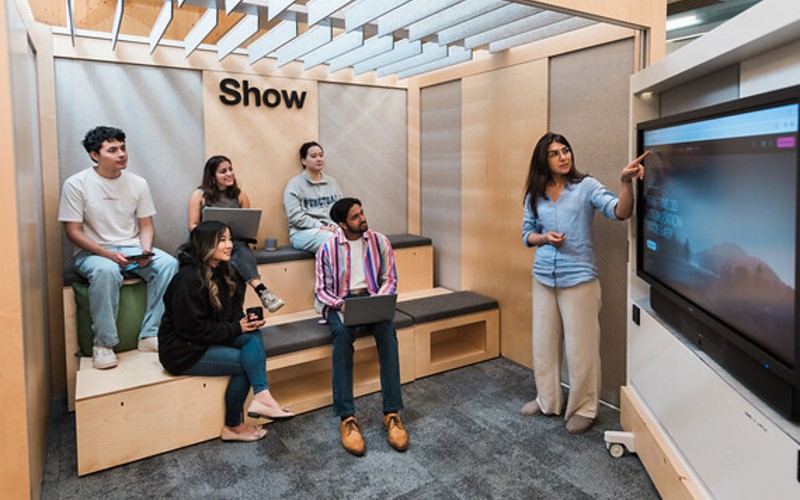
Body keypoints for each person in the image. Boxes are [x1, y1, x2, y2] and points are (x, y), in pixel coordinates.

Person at [520, 132, 648, 435]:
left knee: (581, 349)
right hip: (543, 277)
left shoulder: (586, 187)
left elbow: (620, 212)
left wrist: (624, 183)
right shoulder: (534, 195)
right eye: (555, 153)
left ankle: (583, 408)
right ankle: (547, 399)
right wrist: (544, 238)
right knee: (543, 344)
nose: (564, 157)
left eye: (566, 151)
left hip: (578, 278)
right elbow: (527, 234)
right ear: (543, 160)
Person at [158, 221, 295, 442]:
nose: (230, 245)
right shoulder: (187, 280)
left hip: (206, 339)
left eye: (230, 239)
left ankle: (262, 396)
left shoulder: (224, 271)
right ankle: (234, 426)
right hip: (183, 350)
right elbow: (191, 330)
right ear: (205, 244)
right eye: (222, 240)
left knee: (251, 336)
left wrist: (243, 321)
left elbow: (229, 314)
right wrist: (235, 327)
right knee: (245, 363)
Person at [58, 126, 178, 370]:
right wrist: (108, 254)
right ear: (94, 155)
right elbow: (73, 232)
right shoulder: (76, 184)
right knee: (106, 271)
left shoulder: (138, 183)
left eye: (123, 148)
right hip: (93, 251)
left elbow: (146, 225)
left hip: (132, 247)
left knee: (169, 264)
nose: (121, 154)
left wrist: (145, 251)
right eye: (112, 150)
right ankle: (103, 345)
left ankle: (149, 335)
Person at [315, 197, 408, 456]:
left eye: (362, 213)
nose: (363, 219)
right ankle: (347, 418)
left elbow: (390, 279)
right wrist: (341, 305)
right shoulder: (327, 248)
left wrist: (380, 299)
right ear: (342, 224)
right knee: (343, 337)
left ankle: (392, 413)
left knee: (388, 333)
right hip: (341, 302)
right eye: (355, 217)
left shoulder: (379, 241)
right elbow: (321, 291)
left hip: (372, 297)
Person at [188, 155, 284, 313]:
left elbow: (246, 223)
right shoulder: (199, 195)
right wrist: (213, 236)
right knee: (234, 251)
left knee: (240, 249)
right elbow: (192, 226)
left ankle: (255, 297)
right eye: (223, 171)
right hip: (208, 243)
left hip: (234, 243)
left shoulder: (240, 195)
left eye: (230, 169)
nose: (229, 174)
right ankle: (260, 288)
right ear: (212, 176)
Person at [283, 141, 343, 253]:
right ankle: (336, 271)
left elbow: (341, 210)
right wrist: (320, 226)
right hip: (302, 232)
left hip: (331, 229)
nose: (319, 159)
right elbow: (295, 217)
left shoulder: (332, 183)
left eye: (321, 155)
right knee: (332, 241)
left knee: (357, 237)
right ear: (303, 160)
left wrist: (333, 225)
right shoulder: (294, 184)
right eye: (314, 156)